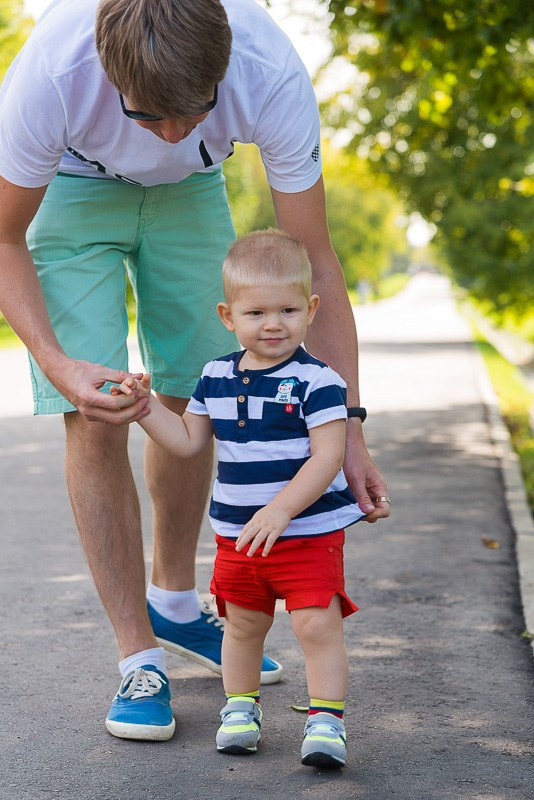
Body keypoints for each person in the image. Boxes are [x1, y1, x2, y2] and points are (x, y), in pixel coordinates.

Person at [0, 0, 389, 741]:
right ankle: (137, 657)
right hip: (72, 188)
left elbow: (318, 264)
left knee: (199, 395)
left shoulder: (268, 71)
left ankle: (175, 603)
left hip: (191, 192)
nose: (171, 134)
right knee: (99, 407)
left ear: (223, 70)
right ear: (110, 78)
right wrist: (56, 365)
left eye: (193, 111)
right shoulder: (50, 74)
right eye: (150, 118)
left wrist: (355, 434)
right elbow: (3, 238)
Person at [112, 229, 388, 766]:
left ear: (310, 309)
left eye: (287, 309)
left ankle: (326, 720)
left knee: (315, 623)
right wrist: (146, 409)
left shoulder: (319, 380)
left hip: (306, 532)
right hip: (238, 535)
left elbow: (328, 456)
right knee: (242, 626)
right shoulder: (215, 377)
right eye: (257, 312)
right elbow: (189, 443)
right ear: (227, 316)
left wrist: (283, 508)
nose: (273, 324)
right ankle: (240, 709)